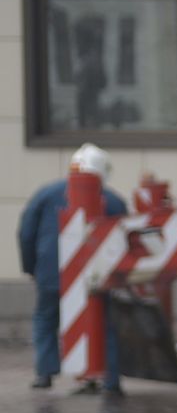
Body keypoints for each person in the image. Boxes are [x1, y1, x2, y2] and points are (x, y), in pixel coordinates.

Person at [17, 144, 126, 393]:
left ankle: (44, 374)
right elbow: (123, 241)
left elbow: (26, 233)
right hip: (97, 275)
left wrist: (30, 267)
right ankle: (110, 380)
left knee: (46, 319)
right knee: (103, 321)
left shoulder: (45, 194)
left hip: (50, 272)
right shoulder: (114, 200)